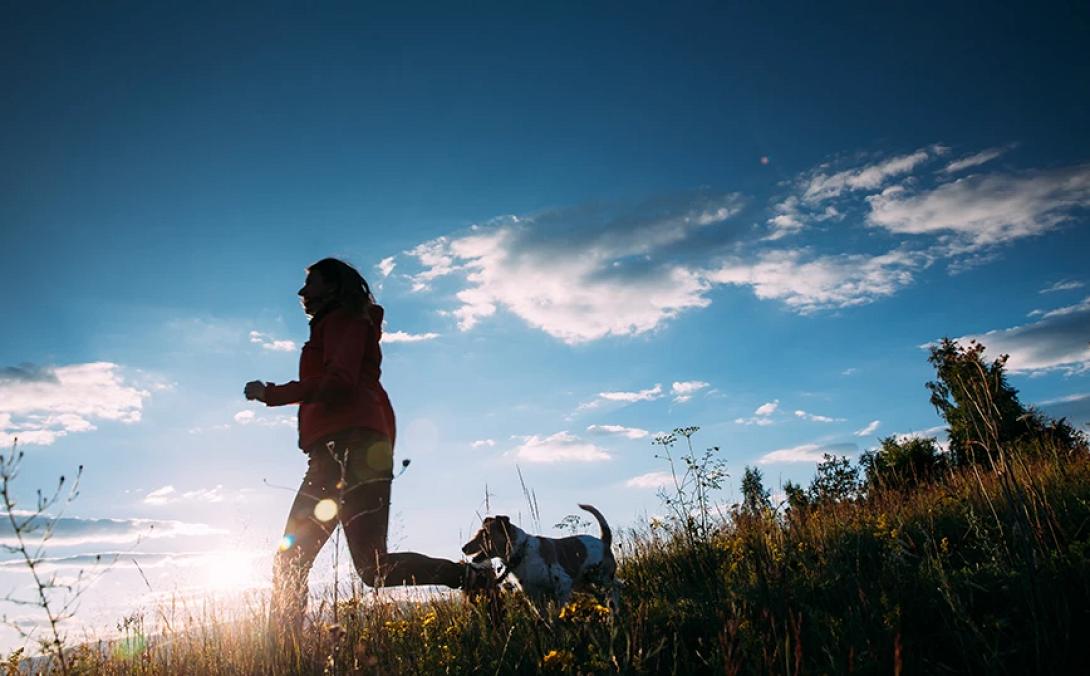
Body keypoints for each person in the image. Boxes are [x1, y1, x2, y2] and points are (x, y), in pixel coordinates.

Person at [244, 257, 484, 637]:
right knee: (313, 563)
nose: (302, 292)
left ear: (334, 287)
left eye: (312, 284)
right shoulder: (333, 324)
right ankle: (284, 650)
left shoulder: (345, 321)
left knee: (335, 565)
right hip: (333, 454)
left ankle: (472, 579)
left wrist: (271, 394)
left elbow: (338, 382)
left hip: (352, 450)